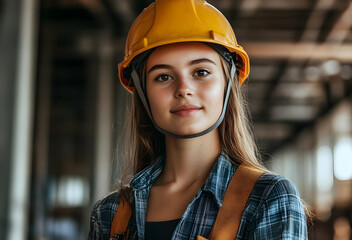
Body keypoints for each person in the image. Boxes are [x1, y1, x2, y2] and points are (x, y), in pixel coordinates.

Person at [88, 0, 308, 239]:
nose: (184, 89)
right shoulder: (109, 214)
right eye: (162, 77)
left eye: (201, 72)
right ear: (142, 93)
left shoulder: (268, 198)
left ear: (228, 83)